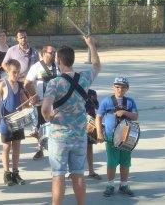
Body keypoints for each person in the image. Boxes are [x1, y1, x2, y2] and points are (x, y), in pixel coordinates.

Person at [41, 35, 101, 205]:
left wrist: (49, 117)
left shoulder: (55, 83)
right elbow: (97, 65)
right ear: (72, 60)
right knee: (78, 174)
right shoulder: (84, 78)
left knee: (58, 175)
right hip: (80, 135)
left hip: (59, 137)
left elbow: (45, 109)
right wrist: (91, 45)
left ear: (59, 61)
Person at [96, 76, 139, 197]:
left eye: (123, 88)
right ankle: (110, 184)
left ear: (127, 89)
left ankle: (124, 185)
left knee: (125, 162)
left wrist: (124, 112)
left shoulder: (130, 102)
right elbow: (98, 117)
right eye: (117, 87)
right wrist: (99, 133)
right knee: (112, 162)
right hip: (111, 138)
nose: (120, 90)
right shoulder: (106, 101)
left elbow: (135, 116)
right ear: (113, 87)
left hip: (126, 137)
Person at [0, 59, 28, 187]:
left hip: (18, 121)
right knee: (6, 148)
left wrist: (29, 103)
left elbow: (26, 104)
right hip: (6, 122)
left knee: (17, 148)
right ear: (7, 71)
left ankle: (15, 173)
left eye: (18, 72)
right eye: (14, 72)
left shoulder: (20, 86)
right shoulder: (3, 84)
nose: (16, 75)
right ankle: (7, 173)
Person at [24, 45, 60, 160]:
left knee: (57, 125)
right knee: (41, 126)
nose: (54, 54)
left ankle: (57, 148)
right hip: (42, 102)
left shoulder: (58, 66)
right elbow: (27, 83)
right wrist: (33, 95)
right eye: (51, 52)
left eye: (55, 52)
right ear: (43, 54)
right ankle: (40, 149)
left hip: (57, 102)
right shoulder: (37, 67)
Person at [85, 89, 101, 180]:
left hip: (90, 124)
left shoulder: (92, 93)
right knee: (75, 148)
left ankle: (91, 171)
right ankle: (73, 172)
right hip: (76, 122)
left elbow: (97, 106)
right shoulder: (71, 89)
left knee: (89, 147)